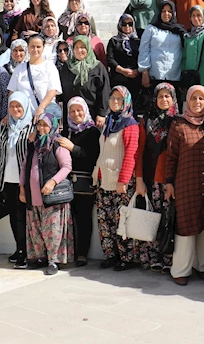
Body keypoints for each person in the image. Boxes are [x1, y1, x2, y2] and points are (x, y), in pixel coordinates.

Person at [164, 85, 204, 286]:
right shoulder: (178, 125)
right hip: (186, 182)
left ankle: (203, 266)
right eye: (193, 98)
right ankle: (181, 269)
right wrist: (169, 183)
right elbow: (171, 157)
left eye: (201, 99)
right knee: (186, 226)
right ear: (187, 100)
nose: (197, 102)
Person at [20, 112, 74, 275]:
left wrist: (52, 182)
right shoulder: (32, 145)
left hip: (52, 197)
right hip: (33, 196)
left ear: (52, 127)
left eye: (45, 125)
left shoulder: (57, 144)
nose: (42, 128)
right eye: (39, 125)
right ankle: (40, 257)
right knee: (35, 229)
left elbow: (66, 166)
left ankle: (53, 261)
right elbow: (24, 167)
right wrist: (22, 188)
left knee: (53, 230)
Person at [0, 92, 36, 267]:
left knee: (22, 217)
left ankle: (25, 252)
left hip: (23, 181)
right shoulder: (5, 126)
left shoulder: (32, 128)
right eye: (12, 106)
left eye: (19, 106)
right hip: (6, 179)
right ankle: (19, 248)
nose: (15, 109)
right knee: (12, 216)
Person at [94, 86, 140, 271]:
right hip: (103, 180)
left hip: (120, 182)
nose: (114, 102)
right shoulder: (108, 122)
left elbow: (131, 154)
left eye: (119, 99)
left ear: (126, 102)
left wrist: (124, 180)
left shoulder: (130, 124)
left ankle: (126, 257)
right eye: (112, 98)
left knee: (121, 220)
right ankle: (110, 255)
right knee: (105, 220)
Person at [135, 83, 178, 273]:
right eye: (160, 96)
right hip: (152, 179)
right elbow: (140, 151)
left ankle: (169, 258)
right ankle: (154, 257)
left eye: (168, 96)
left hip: (170, 180)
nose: (164, 100)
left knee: (169, 219)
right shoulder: (146, 121)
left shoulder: (177, 121)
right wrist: (139, 179)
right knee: (152, 218)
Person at [58, 97, 101, 267]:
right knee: (67, 220)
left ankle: (82, 253)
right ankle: (69, 252)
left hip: (85, 183)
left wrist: (73, 148)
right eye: (72, 111)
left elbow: (92, 156)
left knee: (83, 220)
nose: (76, 114)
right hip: (67, 183)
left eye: (79, 110)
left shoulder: (93, 132)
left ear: (85, 110)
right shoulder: (67, 132)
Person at [7, 34, 62, 120]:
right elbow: (12, 92)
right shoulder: (19, 69)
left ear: (43, 48)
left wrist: (41, 108)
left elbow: (53, 90)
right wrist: (9, 114)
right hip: (24, 119)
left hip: (45, 117)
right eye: (32, 46)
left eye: (38, 47)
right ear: (28, 48)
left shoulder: (50, 67)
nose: (35, 50)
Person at [59, 35, 110, 126]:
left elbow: (104, 91)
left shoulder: (98, 67)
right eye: (76, 47)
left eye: (82, 47)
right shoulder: (68, 66)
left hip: (92, 114)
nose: (79, 50)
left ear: (88, 48)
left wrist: (102, 114)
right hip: (72, 116)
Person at [138, 0, 184, 91]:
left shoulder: (179, 30)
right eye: (163, 11)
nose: (166, 14)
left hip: (174, 75)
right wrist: (144, 72)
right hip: (155, 74)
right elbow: (144, 50)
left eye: (169, 11)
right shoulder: (151, 29)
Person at [106, 14, 141, 98]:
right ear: (120, 25)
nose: (127, 26)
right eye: (124, 24)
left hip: (136, 77)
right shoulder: (114, 41)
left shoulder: (138, 41)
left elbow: (143, 57)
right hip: (118, 77)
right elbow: (110, 59)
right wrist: (122, 70)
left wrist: (137, 70)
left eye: (130, 24)